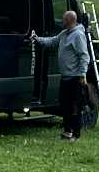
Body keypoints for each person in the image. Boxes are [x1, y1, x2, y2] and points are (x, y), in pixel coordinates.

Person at [30, 7, 92, 141]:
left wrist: (82, 74)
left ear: (70, 20)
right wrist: (37, 39)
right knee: (65, 106)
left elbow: (84, 56)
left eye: (64, 19)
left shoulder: (78, 35)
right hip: (65, 77)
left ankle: (76, 134)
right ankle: (67, 131)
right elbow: (52, 41)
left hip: (75, 78)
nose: (62, 21)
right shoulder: (64, 33)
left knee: (74, 107)